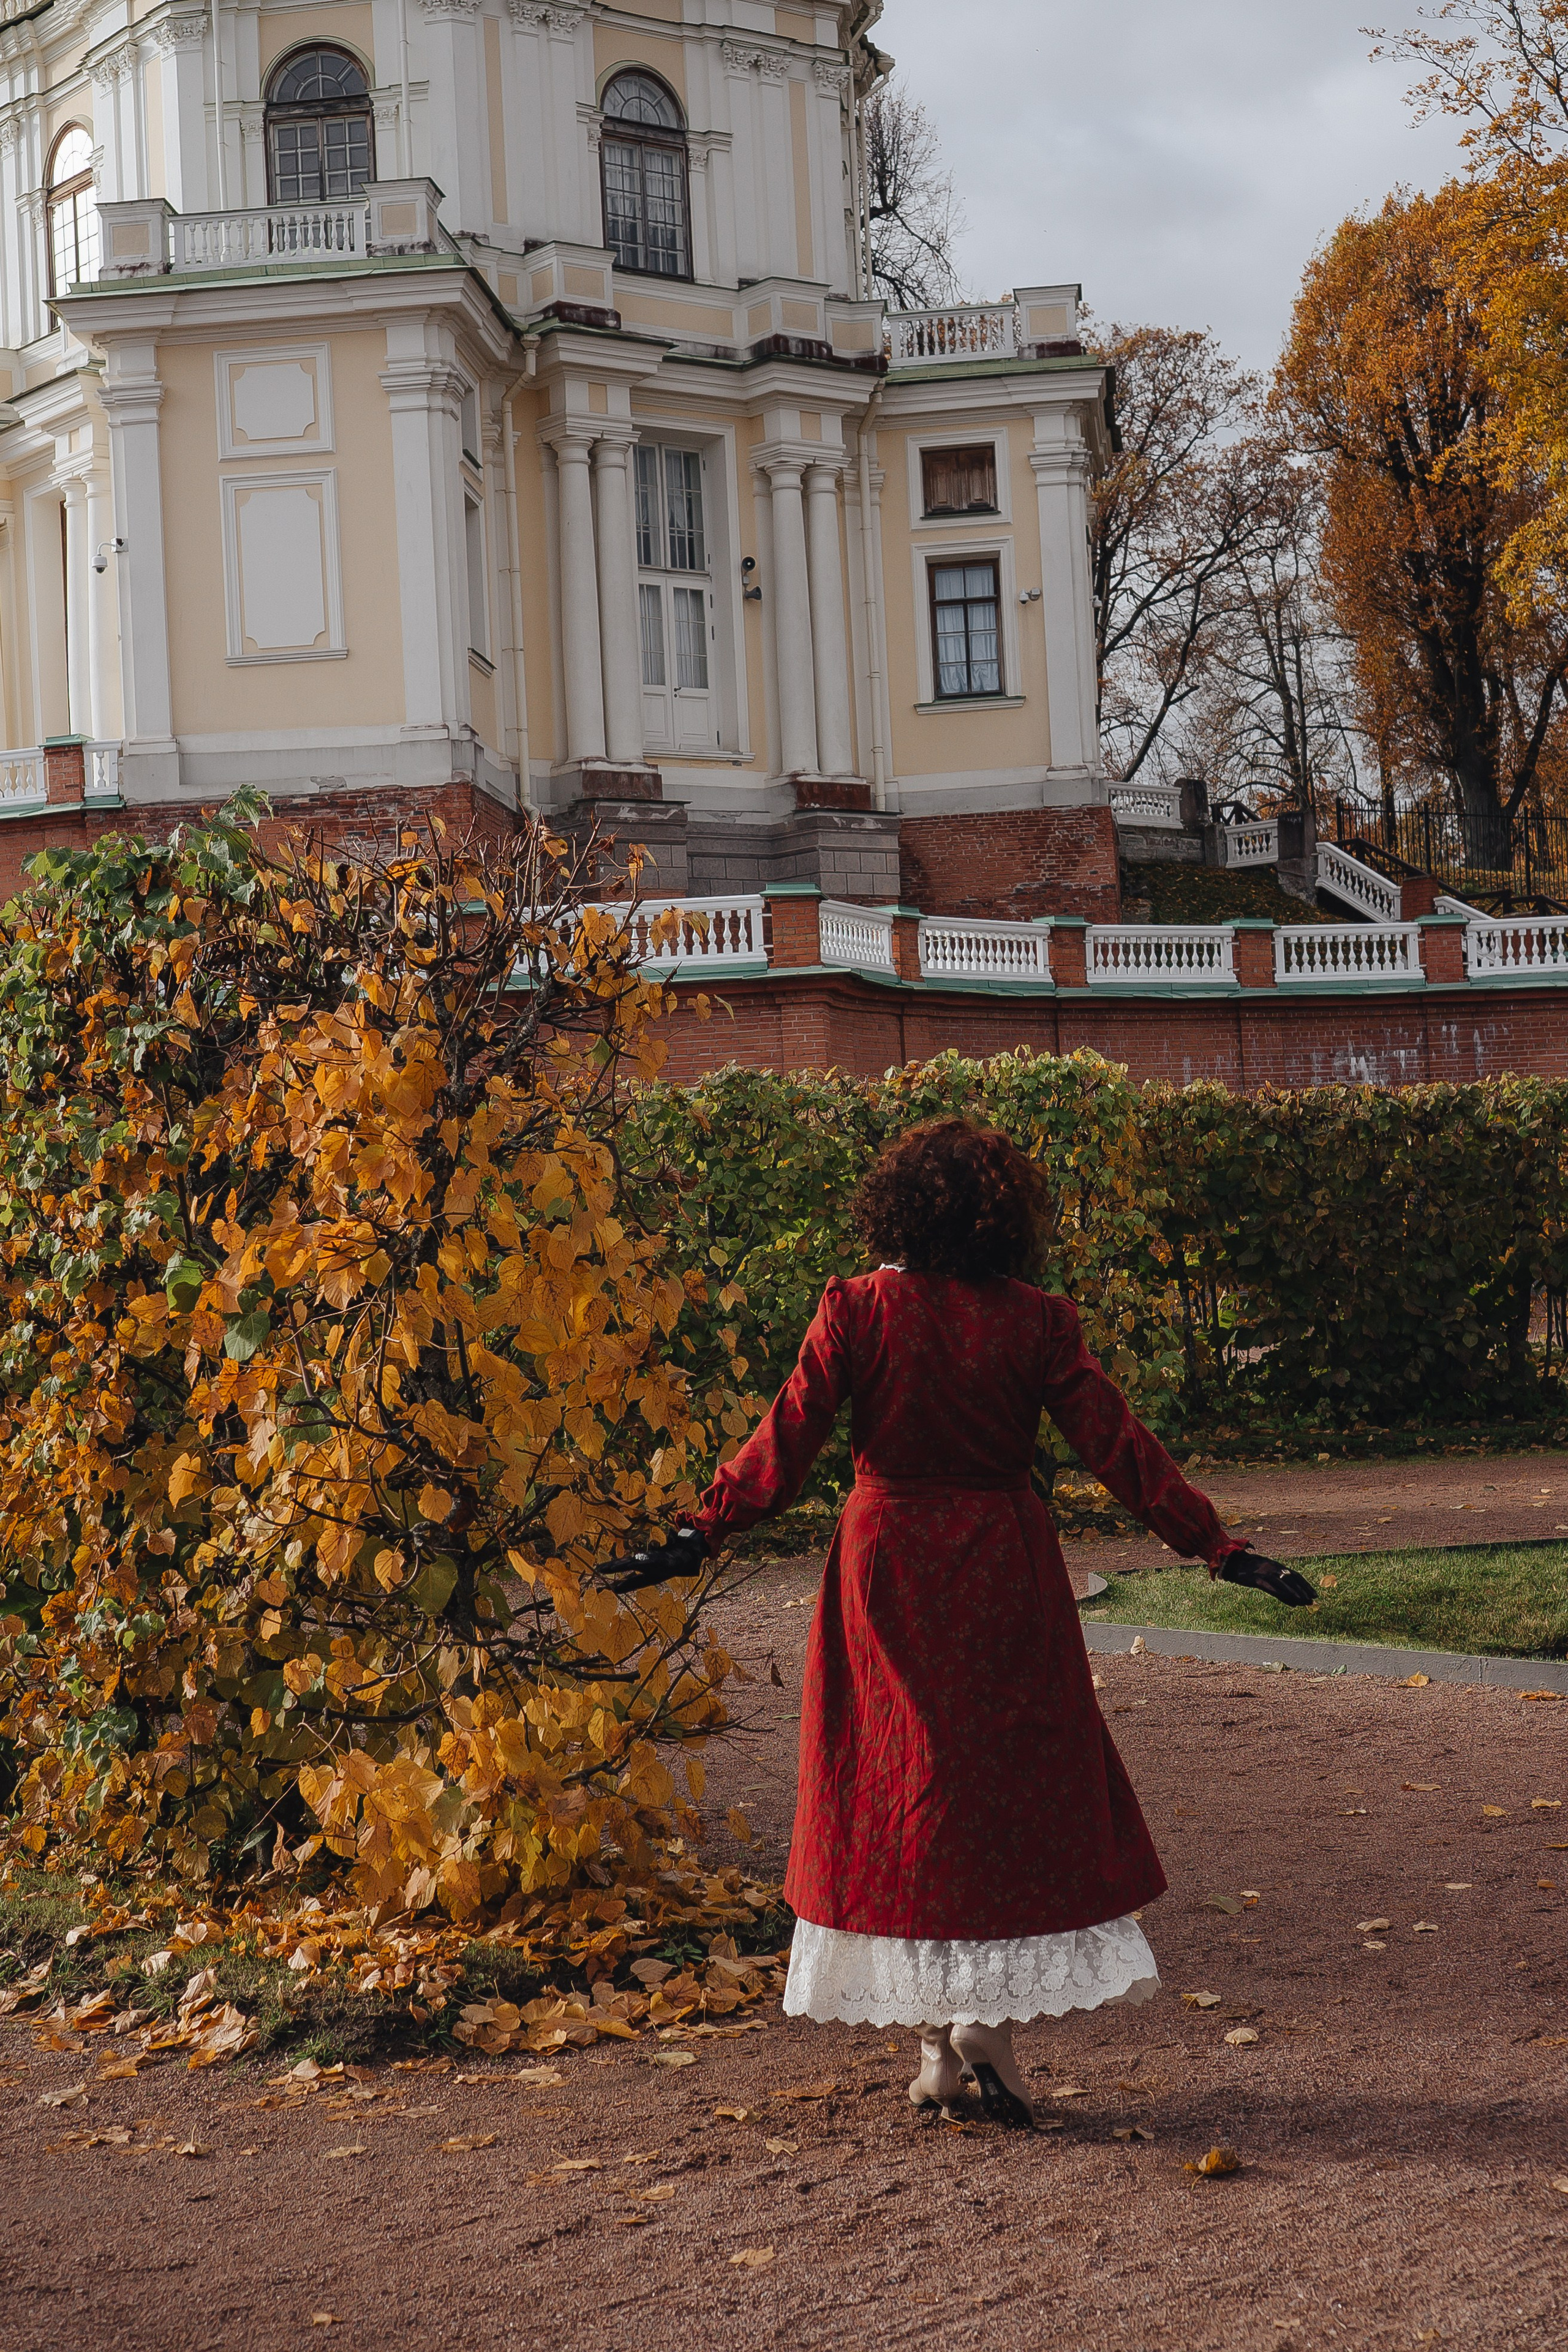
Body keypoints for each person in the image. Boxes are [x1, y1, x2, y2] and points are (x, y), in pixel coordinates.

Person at [606, 1120, 1314, 2130]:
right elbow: (1118, 1443)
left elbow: (787, 1438)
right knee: (994, 1784)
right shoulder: (1037, 1321)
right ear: (1004, 1217)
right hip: (1001, 1563)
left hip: (886, 1563)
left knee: (903, 1785)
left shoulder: (856, 1309)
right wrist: (1216, 1545)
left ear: (896, 1206)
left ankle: (951, 2038)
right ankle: (959, 2039)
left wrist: (695, 1533)